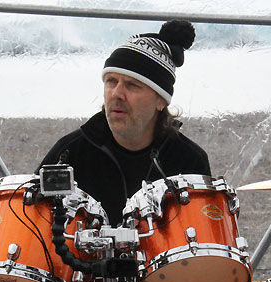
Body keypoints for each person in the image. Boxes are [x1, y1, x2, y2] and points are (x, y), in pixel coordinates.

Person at [37, 20, 211, 225]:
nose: (116, 93)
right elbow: (32, 224)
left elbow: (204, 236)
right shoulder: (69, 153)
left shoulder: (189, 161)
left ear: (161, 100)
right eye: (111, 81)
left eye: (132, 85)